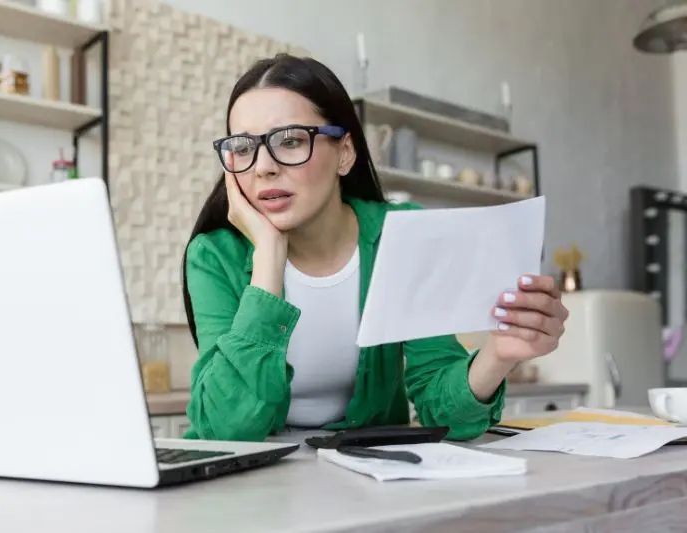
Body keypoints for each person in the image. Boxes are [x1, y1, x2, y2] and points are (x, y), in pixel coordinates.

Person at [180, 53, 568, 442]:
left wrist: (499, 354)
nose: (263, 166)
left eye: (290, 140)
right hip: (254, 494)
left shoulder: (398, 235)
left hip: (367, 487)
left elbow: (445, 414)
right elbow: (223, 428)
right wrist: (267, 259)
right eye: (244, 148)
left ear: (345, 152)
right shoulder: (215, 255)